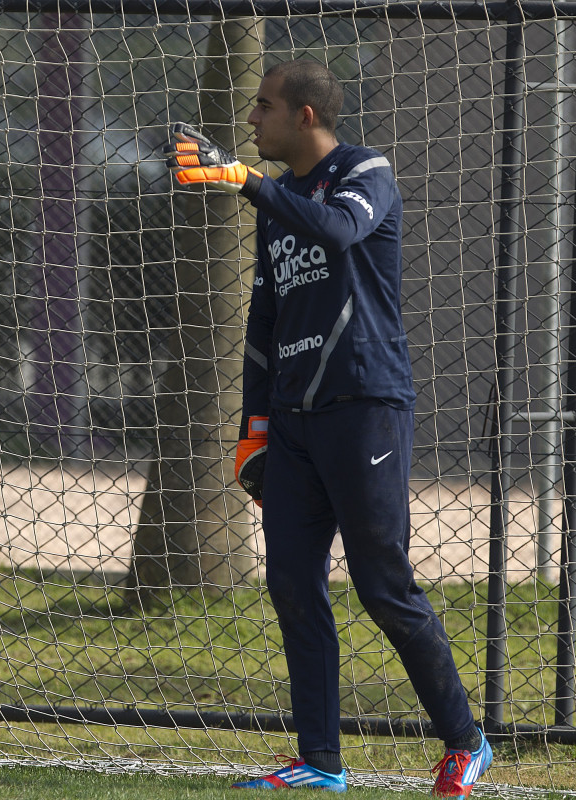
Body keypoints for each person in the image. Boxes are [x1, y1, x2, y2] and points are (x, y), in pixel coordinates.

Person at [163, 60, 492, 798]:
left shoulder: (363, 172)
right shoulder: (276, 205)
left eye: (264, 107)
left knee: (382, 585)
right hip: (293, 424)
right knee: (291, 584)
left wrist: (245, 179)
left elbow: (340, 231)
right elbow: (265, 320)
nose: (252, 120)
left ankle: (465, 742)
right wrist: (253, 424)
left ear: (306, 115)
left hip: (365, 406)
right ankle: (321, 761)